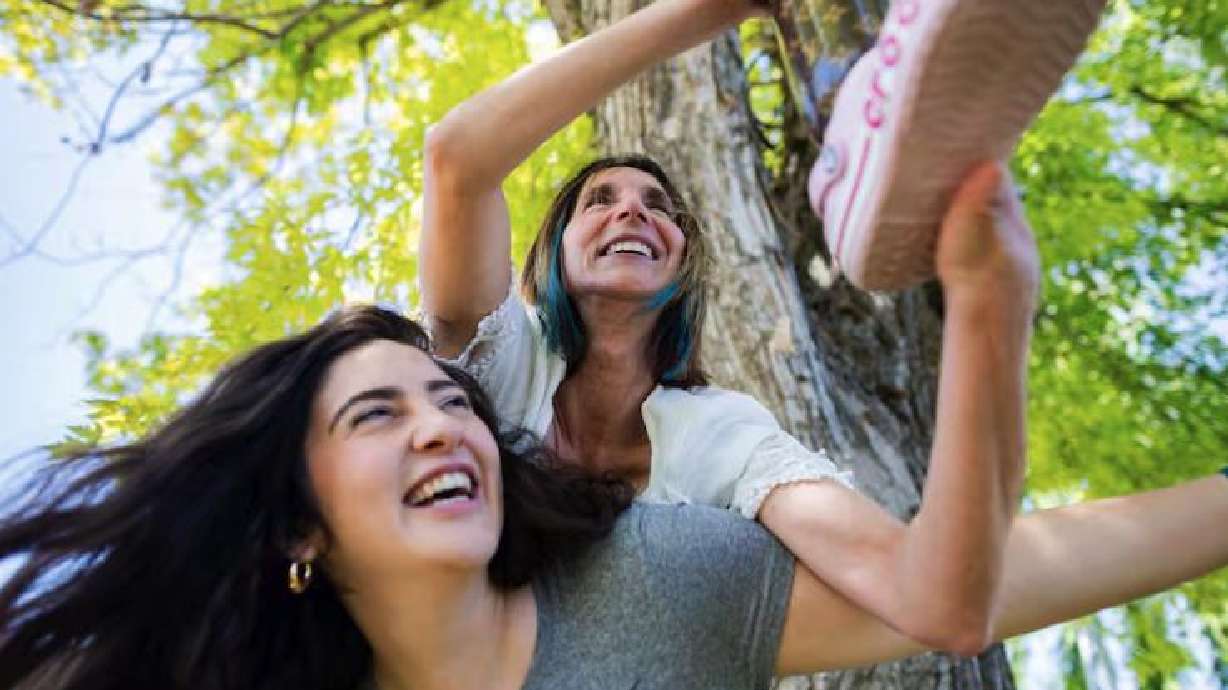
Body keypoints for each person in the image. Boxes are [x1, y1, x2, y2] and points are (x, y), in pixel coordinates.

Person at [3, 305, 1225, 690]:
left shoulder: (655, 577)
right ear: (297, 526)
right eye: (378, 415)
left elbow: (975, 587)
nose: (443, 423)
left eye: (452, 400)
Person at [422, 0, 1034, 652]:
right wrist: (717, 9)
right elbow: (456, 159)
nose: (631, 213)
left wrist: (992, 300)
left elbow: (935, 604)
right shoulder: (508, 361)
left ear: (684, 262)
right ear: (556, 255)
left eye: (659, 208)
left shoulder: (720, 431)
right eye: (599, 201)